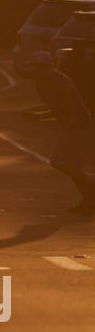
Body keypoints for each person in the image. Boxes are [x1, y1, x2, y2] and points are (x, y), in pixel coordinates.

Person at [31, 50, 95, 214]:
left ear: (40, 65)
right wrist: (43, 114)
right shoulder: (48, 76)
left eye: (35, 66)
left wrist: (73, 116)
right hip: (76, 124)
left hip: (78, 125)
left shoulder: (51, 76)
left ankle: (91, 189)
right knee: (73, 166)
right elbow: (60, 104)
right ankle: (89, 200)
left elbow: (71, 94)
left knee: (60, 162)